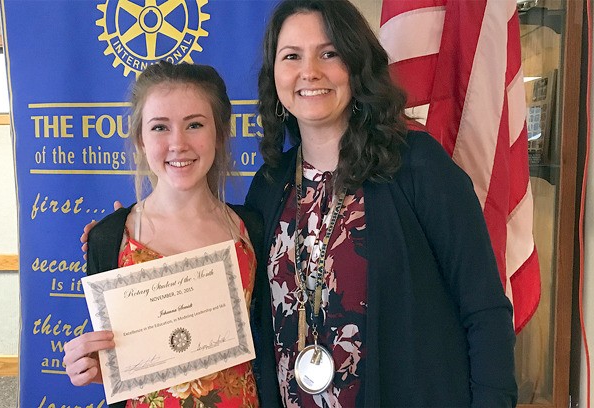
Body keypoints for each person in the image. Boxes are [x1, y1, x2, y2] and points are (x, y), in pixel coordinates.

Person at [81, 0, 518, 406]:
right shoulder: (269, 187)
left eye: (328, 54)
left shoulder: (418, 166)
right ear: (275, 74)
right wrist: (130, 253)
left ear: (356, 63)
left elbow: (484, 310)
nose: (309, 72)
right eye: (291, 56)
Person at [64, 61, 280, 408]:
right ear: (140, 139)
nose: (178, 143)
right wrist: (91, 364)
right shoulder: (109, 238)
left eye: (194, 124)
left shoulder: (253, 228)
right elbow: (117, 360)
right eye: (160, 127)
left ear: (221, 132)